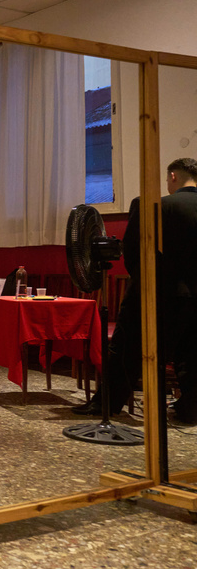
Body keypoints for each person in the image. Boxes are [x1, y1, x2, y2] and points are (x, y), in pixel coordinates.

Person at [73, 157, 197, 422]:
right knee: (191, 354)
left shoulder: (156, 206)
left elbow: (133, 252)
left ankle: (107, 404)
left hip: (158, 292)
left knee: (126, 349)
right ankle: (190, 409)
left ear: (173, 177)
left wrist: (143, 281)